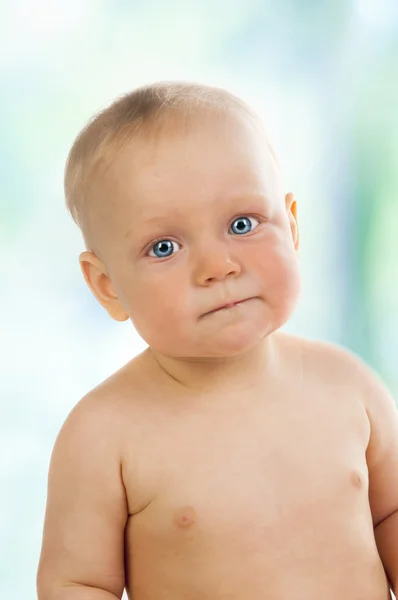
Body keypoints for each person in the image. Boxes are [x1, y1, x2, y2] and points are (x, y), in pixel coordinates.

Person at [36, 81, 398, 600]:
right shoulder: (104, 435)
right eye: (164, 247)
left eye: (243, 223)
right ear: (107, 286)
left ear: (292, 229)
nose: (218, 266)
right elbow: (76, 584)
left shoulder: (350, 385)